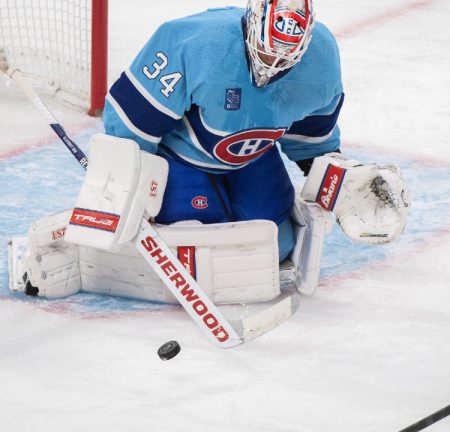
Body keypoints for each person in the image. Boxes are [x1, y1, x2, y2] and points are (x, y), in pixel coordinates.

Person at [13, 0, 409, 302]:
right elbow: (130, 121)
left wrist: (338, 178)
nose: (272, 65)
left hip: (252, 157)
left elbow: (310, 138)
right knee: (199, 241)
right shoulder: (195, 43)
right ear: (253, 24)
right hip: (177, 157)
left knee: (276, 244)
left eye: (285, 57)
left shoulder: (320, 60)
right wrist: (127, 185)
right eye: (267, 51)